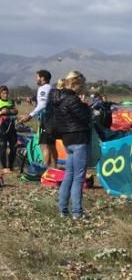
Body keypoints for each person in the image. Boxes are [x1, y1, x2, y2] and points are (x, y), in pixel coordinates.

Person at [49, 71, 91, 219]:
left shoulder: (58, 99)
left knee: (69, 175)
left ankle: (62, 210)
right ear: (75, 84)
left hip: (67, 140)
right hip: (79, 139)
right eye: (82, 85)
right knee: (78, 178)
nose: (84, 88)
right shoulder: (72, 99)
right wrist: (86, 105)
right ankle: (77, 212)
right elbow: (86, 118)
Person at [19, 70, 55, 167]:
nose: (36, 79)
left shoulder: (43, 88)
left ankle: (45, 169)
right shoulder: (51, 87)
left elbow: (42, 104)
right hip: (52, 120)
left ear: (42, 78)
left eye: (37, 77)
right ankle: (54, 169)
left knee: (44, 145)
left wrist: (30, 115)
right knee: (52, 146)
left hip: (46, 120)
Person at [0, 86, 18, 172]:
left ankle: (11, 166)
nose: (5, 95)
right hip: (2, 128)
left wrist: (8, 112)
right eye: (3, 93)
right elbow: (5, 112)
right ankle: (4, 167)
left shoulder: (11, 102)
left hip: (12, 127)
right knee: (3, 148)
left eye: (6, 93)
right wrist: (1, 112)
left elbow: (15, 111)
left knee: (14, 147)